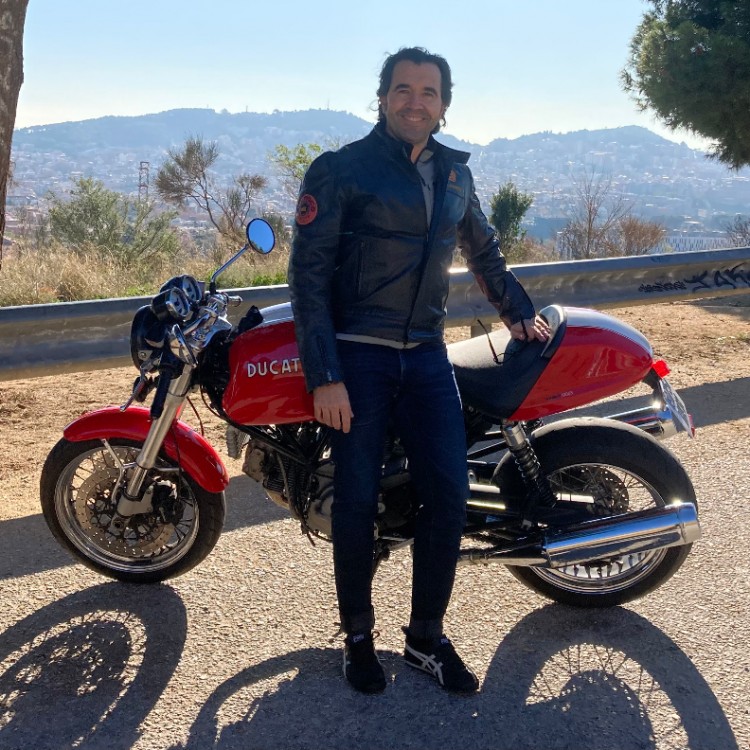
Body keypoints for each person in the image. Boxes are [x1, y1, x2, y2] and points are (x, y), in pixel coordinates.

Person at [288, 46, 550, 695]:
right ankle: (357, 639)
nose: (415, 101)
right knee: (356, 501)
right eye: (403, 89)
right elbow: (308, 276)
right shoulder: (339, 169)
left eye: (428, 92)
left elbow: (483, 249)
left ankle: (424, 640)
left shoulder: (455, 174)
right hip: (358, 353)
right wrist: (324, 374)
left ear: (444, 104)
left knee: (450, 496)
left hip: (427, 353)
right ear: (382, 98)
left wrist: (518, 312)